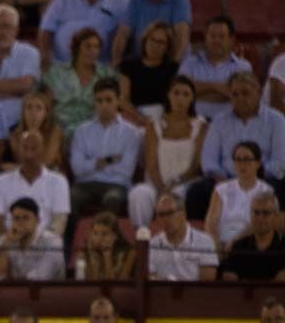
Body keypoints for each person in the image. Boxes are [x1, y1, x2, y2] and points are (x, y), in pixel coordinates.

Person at [189, 73, 285, 221]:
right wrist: (222, 180)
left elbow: (280, 161)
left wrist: (254, 177)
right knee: (197, 191)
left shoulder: (277, 120)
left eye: (245, 93)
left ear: (259, 93)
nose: (240, 98)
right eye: (235, 94)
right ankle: (201, 240)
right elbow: (209, 160)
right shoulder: (219, 122)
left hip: (263, 178)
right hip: (225, 179)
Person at [127, 75, 206, 227]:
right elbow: (150, 165)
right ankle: (141, 236)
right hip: (156, 182)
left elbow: (196, 166)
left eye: (185, 94)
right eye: (176, 93)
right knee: (139, 194)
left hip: (185, 183)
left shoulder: (200, 126)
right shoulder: (154, 125)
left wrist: (175, 183)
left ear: (192, 99)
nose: (180, 99)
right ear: (168, 95)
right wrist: (162, 188)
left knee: (176, 198)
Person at [68, 77, 141, 216]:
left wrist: (90, 164)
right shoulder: (82, 131)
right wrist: (108, 161)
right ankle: (69, 238)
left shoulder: (131, 132)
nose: (104, 105)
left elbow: (126, 171)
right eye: (99, 100)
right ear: (94, 102)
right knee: (71, 198)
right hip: (85, 184)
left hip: (116, 185)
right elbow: (77, 169)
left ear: (118, 101)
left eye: (108, 100)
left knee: (112, 199)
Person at [0, 129, 70, 236]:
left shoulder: (59, 182)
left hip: (45, 245)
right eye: (25, 148)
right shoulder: (2, 181)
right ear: (18, 150)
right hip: (10, 242)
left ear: (43, 150)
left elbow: (59, 221)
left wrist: (41, 243)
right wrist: (10, 240)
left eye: (34, 148)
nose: (29, 154)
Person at [42, 27, 116, 140]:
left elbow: (118, 101)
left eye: (96, 47)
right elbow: (46, 106)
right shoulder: (57, 73)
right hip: (60, 132)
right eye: (88, 46)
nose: (93, 51)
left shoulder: (106, 75)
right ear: (77, 48)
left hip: (94, 133)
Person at [204, 141, 274, 255]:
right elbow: (211, 223)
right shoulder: (221, 189)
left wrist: (235, 242)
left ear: (257, 163)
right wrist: (216, 245)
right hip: (221, 244)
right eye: (238, 160)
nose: (242, 164)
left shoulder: (266, 190)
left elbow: (258, 223)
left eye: (247, 159)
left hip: (248, 242)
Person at [178, 15, 251, 122]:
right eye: (212, 36)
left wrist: (197, 92)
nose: (216, 40)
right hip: (193, 123)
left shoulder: (243, 66)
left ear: (231, 39)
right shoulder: (189, 63)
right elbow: (181, 92)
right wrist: (218, 87)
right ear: (205, 37)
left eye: (221, 36)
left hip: (229, 124)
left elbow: (240, 96)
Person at [38, 0, 128, 67]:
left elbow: (127, 34)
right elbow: (45, 30)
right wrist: (46, 59)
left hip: (102, 67)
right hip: (61, 66)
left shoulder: (120, 2)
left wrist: (115, 63)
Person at [117, 20, 179, 127]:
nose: (155, 45)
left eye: (161, 42)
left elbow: (174, 98)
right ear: (145, 40)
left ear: (167, 47)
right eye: (152, 40)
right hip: (133, 116)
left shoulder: (172, 68)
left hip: (162, 117)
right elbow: (123, 99)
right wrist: (140, 118)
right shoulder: (129, 65)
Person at [0, 197, 65, 280]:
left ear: (37, 221)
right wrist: (6, 245)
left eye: (26, 218)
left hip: (48, 292)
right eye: (16, 218)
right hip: (15, 291)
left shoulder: (52, 241)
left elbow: (41, 277)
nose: (20, 223)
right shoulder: (6, 240)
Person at [148, 193, 217, 281]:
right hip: (163, 293)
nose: (165, 219)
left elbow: (207, 282)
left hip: (194, 293)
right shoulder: (152, 244)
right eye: (161, 215)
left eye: (170, 213)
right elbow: (150, 279)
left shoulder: (204, 241)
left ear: (183, 213)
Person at [221, 192, 285, 282]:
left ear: (276, 216)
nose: (260, 218)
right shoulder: (239, 247)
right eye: (256, 212)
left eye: (266, 213)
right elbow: (229, 273)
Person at [110, 0, 190, 65]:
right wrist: (116, 60)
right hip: (141, 61)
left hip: (171, 60)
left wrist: (173, 65)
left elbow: (181, 35)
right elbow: (123, 34)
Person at [4, 89, 63, 171]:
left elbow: (46, 162)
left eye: (39, 108)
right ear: (23, 112)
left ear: (46, 113)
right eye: (29, 107)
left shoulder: (54, 132)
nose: (33, 112)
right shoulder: (14, 133)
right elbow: (20, 160)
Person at [75, 211, 134, 279]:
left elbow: (120, 284)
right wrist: (93, 256)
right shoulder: (84, 252)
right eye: (95, 233)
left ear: (115, 236)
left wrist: (107, 256)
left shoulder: (129, 252)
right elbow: (90, 284)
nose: (98, 238)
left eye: (104, 234)